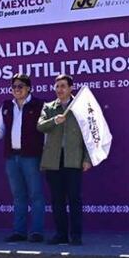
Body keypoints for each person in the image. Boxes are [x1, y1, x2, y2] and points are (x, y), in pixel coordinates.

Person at [0, 73, 46, 243]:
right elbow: (1, 133)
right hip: (11, 157)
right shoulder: (6, 105)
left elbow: (46, 133)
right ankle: (19, 232)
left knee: (35, 194)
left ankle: (36, 232)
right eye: (13, 87)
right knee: (18, 195)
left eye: (20, 86)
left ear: (29, 88)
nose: (16, 90)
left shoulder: (39, 105)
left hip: (31, 157)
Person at [38, 74, 90, 245]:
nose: (59, 89)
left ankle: (76, 235)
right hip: (53, 160)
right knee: (57, 200)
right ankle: (61, 234)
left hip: (73, 160)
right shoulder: (49, 107)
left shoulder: (81, 107)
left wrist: (87, 159)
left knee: (74, 199)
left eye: (63, 86)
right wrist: (54, 120)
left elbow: (89, 135)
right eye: (57, 86)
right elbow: (40, 126)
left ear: (70, 88)